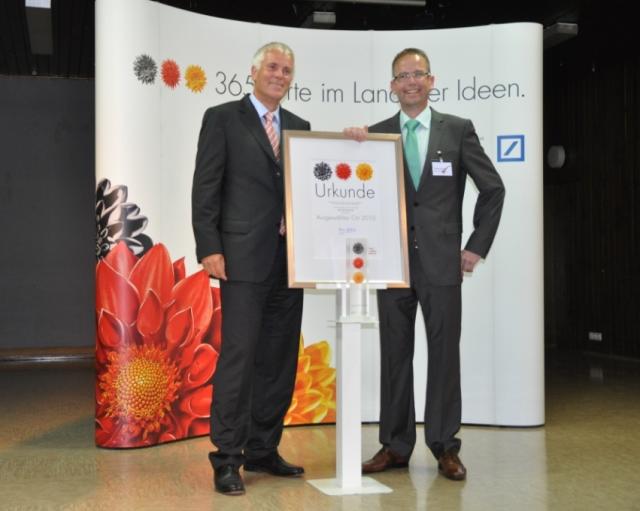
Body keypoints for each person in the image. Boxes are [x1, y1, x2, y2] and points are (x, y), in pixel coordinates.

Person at [344, 48, 505, 481]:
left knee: (444, 355)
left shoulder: (458, 130)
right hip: (390, 262)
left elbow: (493, 189)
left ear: (431, 81)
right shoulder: (376, 135)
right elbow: (350, 187)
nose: (411, 81)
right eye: (403, 76)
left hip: (442, 262)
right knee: (394, 356)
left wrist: (475, 246)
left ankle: (445, 446)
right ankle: (395, 446)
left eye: (418, 74)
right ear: (392, 86)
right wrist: (350, 143)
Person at [191, 42, 310, 496]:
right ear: (254, 71)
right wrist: (209, 246)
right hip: (241, 259)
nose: (280, 75)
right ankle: (227, 458)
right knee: (239, 359)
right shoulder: (223, 118)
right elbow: (206, 187)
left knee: (279, 359)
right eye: (273, 67)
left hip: (290, 261)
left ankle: (263, 448)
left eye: (287, 70)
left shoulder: (300, 128)